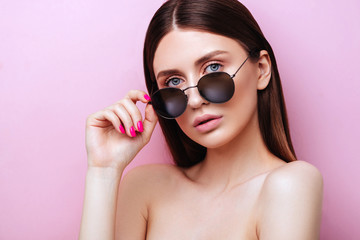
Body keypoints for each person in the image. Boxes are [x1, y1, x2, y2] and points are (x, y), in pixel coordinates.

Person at [79, 0, 323, 239]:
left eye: (213, 68)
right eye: (174, 82)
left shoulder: (289, 185)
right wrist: (103, 171)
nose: (194, 100)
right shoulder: (144, 187)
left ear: (261, 69)